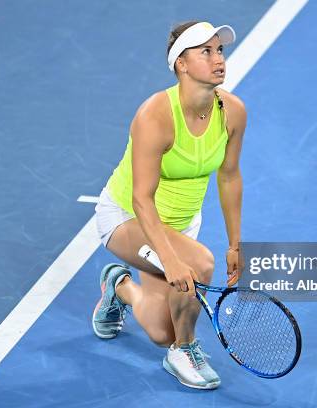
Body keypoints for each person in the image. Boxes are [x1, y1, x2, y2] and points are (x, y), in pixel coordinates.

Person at [92, 21, 246, 390]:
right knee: (199, 264)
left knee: (161, 330)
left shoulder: (233, 112)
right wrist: (172, 259)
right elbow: (140, 199)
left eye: (219, 50)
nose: (218, 59)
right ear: (182, 64)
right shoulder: (155, 115)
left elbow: (229, 176)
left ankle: (119, 287)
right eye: (205, 52)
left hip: (181, 225)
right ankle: (185, 349)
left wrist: (235, 244)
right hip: (130, 218)